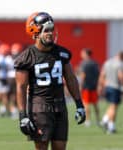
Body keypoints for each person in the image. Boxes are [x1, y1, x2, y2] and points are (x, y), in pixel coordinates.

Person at [14, 12, 86, 150]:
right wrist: (23, 116)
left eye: (52, 29)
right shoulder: (26, 58)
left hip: (60, 106)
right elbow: (21, 87)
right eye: (46, 30)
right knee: (41, 147)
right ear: (35, 32)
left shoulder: (62, 53)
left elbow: (71, 79)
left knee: (60, 147)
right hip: (39, 108)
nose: (50, 33)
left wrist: (79, 104)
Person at [98, 51, 123, 134]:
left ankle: (105, 120)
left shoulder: (107, 63)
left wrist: (101, 86)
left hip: (107, 86)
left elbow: (102, 75)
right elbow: (121, 76)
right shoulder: (119, 64)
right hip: (115, 87)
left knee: (112, 106)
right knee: (114, 107)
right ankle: (110, 127)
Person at [79, 48, 100, 127]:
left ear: (86, 54)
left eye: (82, 53)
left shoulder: (84, 63)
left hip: (86, 87)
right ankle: (98, 120)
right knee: (95, 104)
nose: (81, 55)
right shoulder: (95, 63)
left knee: (86, 104)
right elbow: (98, 74)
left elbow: (83, 75)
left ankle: (88, 121)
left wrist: (80, 86)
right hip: (94, 86)